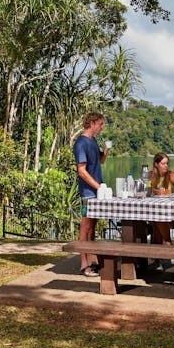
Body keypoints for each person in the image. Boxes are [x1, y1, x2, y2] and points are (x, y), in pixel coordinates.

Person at [73, 112, 108, 277]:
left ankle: (93, 261)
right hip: (88, 193)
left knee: (92, 226)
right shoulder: (81, 143)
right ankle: (84, 264)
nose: (102, 127)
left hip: (96, 192)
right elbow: (81, 171)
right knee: (85, 225)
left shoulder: (93, 141)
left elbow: (100, 161)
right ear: (92, 123)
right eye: (101, 124)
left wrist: (106, 151)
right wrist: (98, 187)